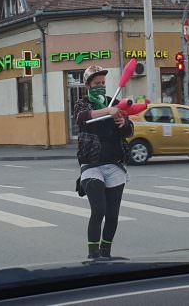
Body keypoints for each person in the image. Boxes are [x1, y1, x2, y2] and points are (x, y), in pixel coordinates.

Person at [73, 65, 134, 259]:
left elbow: (129, 131)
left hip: (114, 164)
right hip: (91, 165)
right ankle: (93, 254)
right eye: (97, 83)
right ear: (88, 85)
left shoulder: (114, 103)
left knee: (113, 214)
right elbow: (82, 119)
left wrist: (124, 123)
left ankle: (106, 251)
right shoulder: (82, 104)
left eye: (103, 83)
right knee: (99, 209)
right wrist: (107, 111)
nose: (101, 86)